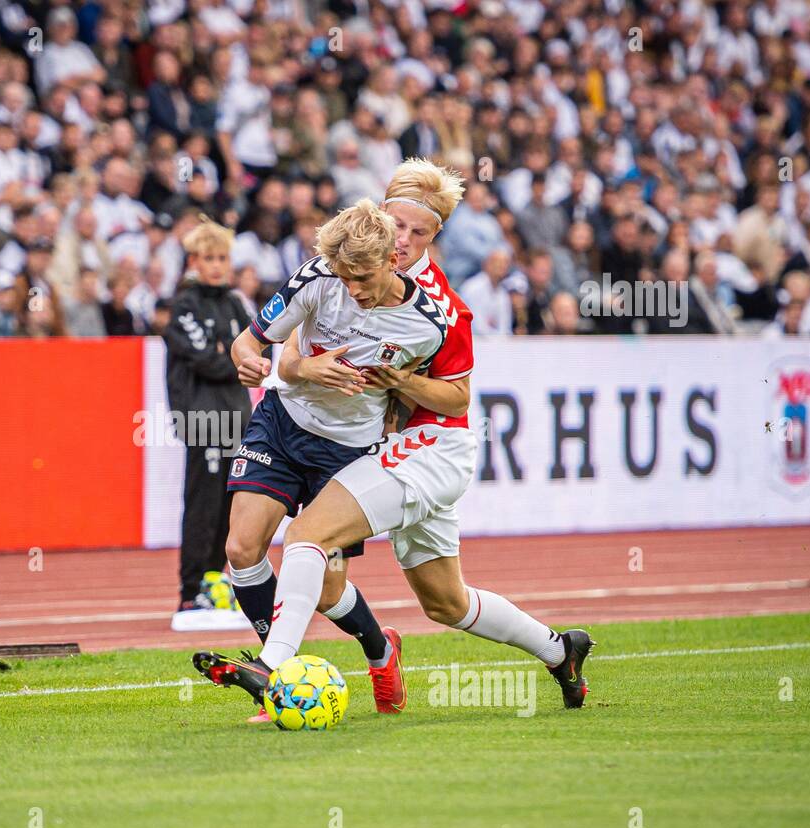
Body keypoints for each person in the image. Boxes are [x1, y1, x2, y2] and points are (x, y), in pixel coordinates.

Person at [194, 161, 596, 714]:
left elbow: (457, 397)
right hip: (361, 441)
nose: (404, 241)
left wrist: (400, 384)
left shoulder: (440, 312)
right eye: (396, 225)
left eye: (419, 232)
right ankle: (560, 651)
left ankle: (273, 667)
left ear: (435, 236)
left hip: (425, 446)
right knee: (445, 603)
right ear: (377, 217)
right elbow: (285, 346)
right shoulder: (343, 264)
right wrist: (299, 367)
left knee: (307, 537)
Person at [217, 198, 450, 721]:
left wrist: (399, 399)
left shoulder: (427, 326)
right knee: (241, 546)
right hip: (283, 425)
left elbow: (428, 397)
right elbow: (247, 344)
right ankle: (273, 675)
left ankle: (379, 649)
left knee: (327, 588)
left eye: (362, 277)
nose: (352, 289)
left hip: (348, 453)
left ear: (393, 258)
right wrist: (257, 365)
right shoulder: (316, 277)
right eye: (344, 277)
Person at [162, 218, 252, 617]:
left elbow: (253, 351)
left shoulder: (235, 303)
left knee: (229, 506)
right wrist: (233, 358)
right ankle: (191, 587)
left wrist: (233, 357)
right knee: (201, 505)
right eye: (209, 258)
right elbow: (209, 360)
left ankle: (217, 580)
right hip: (202, 418)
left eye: (223, 258)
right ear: (194, 261)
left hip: (236, 416)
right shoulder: (184, 305)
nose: (217, 266)